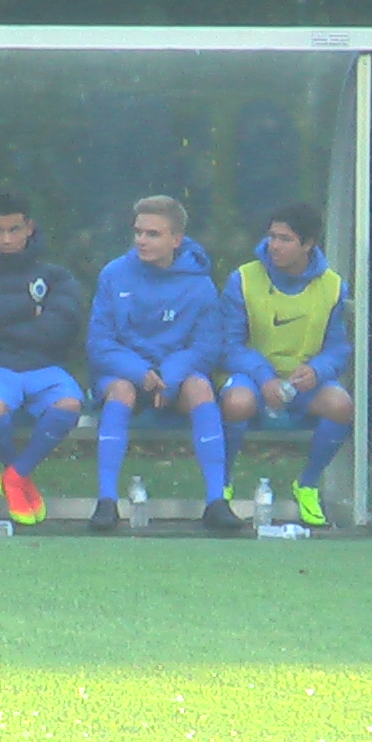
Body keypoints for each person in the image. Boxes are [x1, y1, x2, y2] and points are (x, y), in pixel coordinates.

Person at [87, 195, 246, 532]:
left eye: (153, 234)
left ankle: (216, 501)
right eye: (138, 232)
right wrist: (140, 372)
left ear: (176, 239)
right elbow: (100, 343)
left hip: (175, 378)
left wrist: (168, 375)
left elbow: (206, 347)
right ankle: (106, 501)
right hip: (127, 376)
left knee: (200, 387)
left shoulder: (199, 285)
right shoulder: (114, 274)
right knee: (121, 390)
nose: (142, 241)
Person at [0, 192, 85, 527]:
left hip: (43, 365)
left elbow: (60, 328)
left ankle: (13, 477)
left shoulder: (55, 275)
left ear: (29, 228)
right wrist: (28, 306)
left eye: (14, 229)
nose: (7, 239)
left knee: (69, 404)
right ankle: (20, 478)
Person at [219, 202, 354, 527]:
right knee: (236, 402)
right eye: (272, 237)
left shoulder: (333, 286)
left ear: (308, 244)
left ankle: (307, 485)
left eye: (285, 239)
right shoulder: (243, 279)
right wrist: (264, 376)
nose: (274, 246)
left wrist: (317, 370)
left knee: (341, 405)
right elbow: (228, 344)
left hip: (303, 383)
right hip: (252, 377)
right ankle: (220, 486)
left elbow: (339, 347)